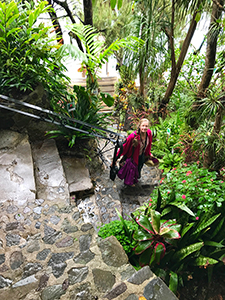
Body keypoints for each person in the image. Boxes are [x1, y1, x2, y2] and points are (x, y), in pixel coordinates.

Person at [116, 118, 153, 185]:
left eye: (146, 126)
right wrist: (116, 158)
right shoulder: (133, 136)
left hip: (141, 155)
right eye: (143, 126)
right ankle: (129, 184)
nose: (144, 128)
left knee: (138, 169)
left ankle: (135, 179)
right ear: (139, 126)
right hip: (132, 157)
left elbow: (149, 144)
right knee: (131, 172)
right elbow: (124, 147)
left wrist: (148, 153)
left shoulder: (149, 133)